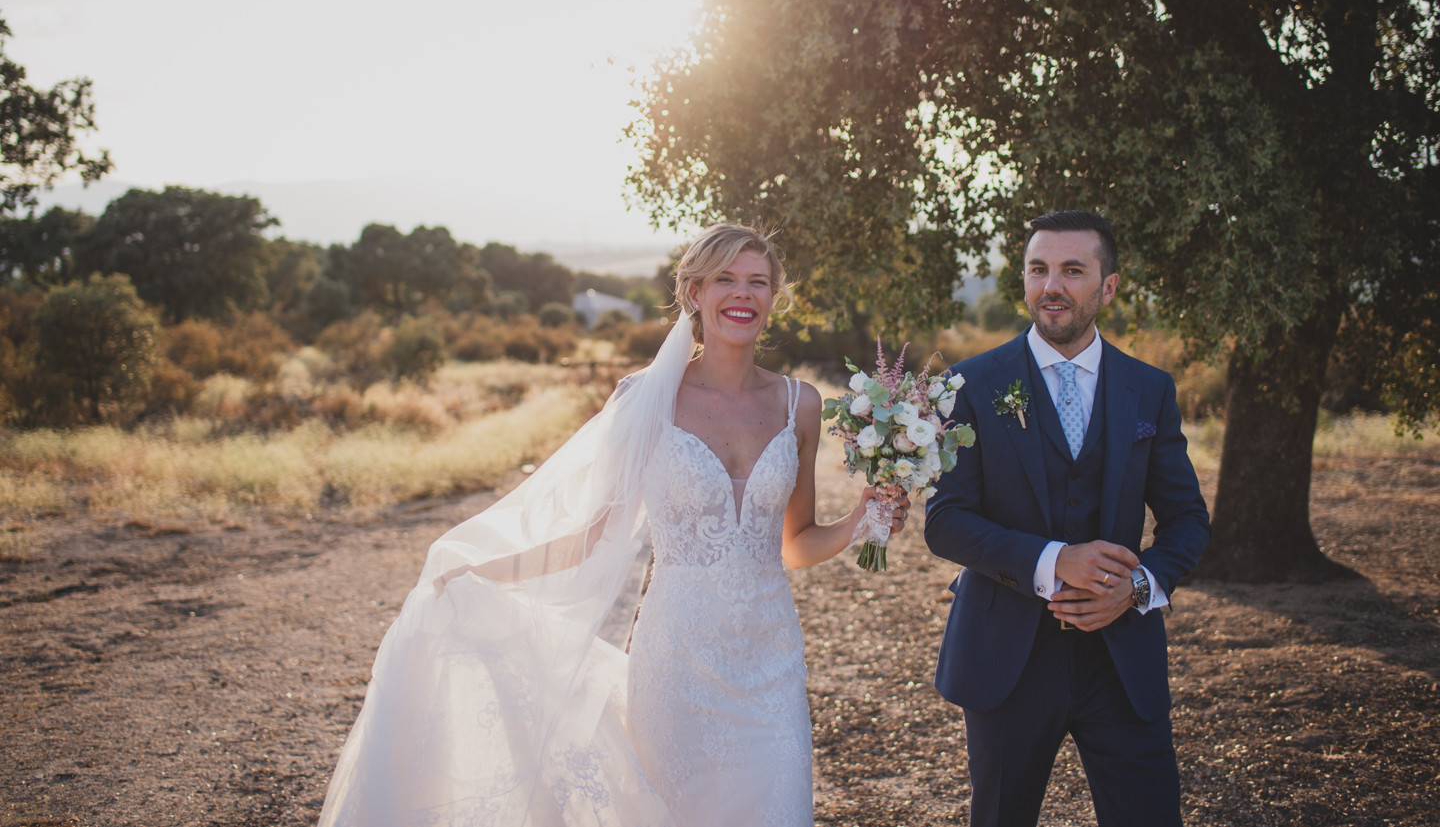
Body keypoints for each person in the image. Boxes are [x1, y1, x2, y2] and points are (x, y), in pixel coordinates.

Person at [318, 223, 900, 827]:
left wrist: (862, 519)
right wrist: (481, 576)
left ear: (774, 297)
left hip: (770, 663)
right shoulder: (645, 398)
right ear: (694, 294)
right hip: (676, 665)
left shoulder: (799, 404)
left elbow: (795, 544)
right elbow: (593, 536)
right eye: (724, 279)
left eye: (757, 282)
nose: (742, 294)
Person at [923, 210, 1211, 827]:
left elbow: (1187, 519)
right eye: (1038, 269)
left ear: (1107, 287)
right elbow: (945, 520)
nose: (1051, 285)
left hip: (1121, 658)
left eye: (1072, 270)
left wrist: (1134, 590)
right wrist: (1055, 562)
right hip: (1007, 657)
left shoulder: (1149, 389)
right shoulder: (970, 384)